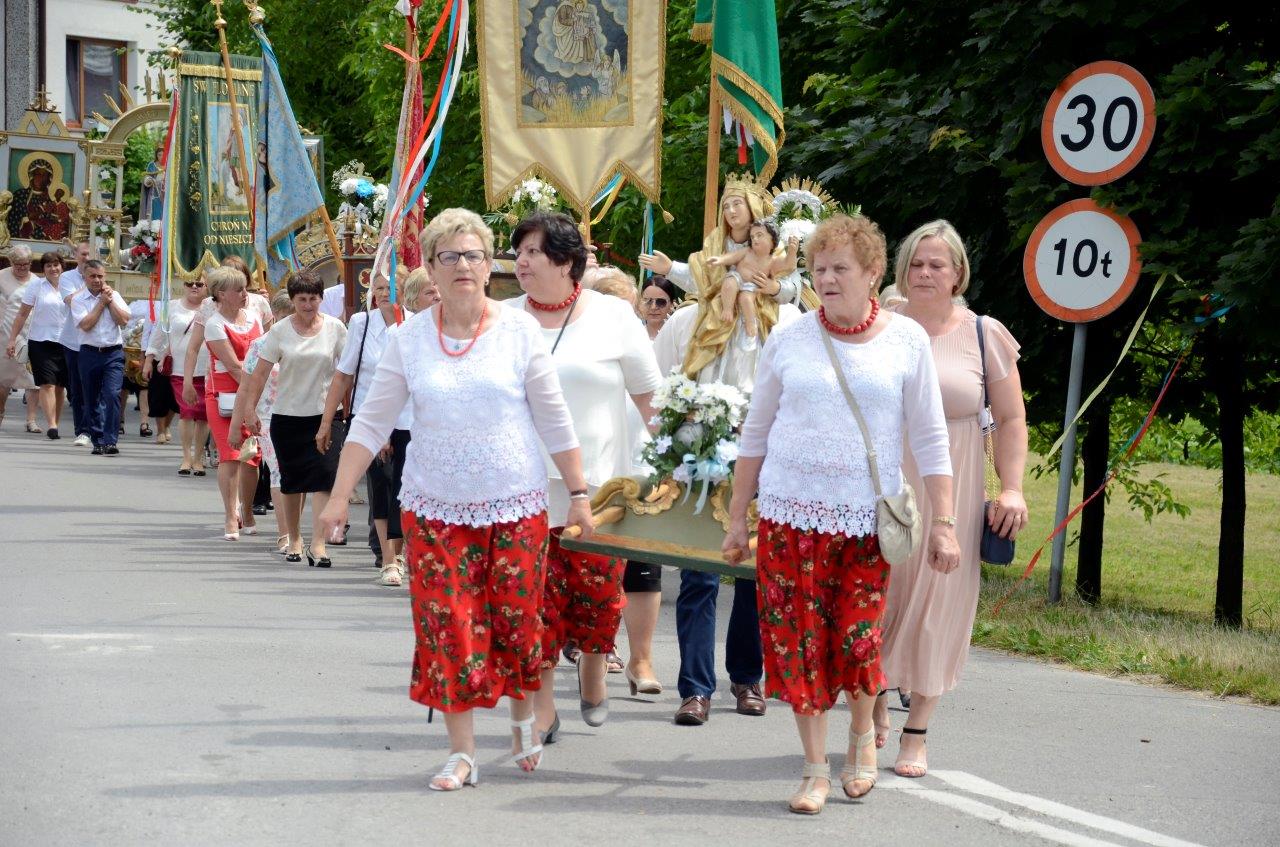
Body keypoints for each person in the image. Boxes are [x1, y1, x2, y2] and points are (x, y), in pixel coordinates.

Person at [317, 208, 594, 792]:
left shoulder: (520, 332)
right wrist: (339, 498)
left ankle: (522, 717)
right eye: (450, 256)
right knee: (449, 627)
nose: (464, 266)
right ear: (430, 268)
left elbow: (554, 418)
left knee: (517, 623)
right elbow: (371, 423)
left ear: (487, 266)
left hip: (515, 505)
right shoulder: (408, 338)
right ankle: (462, 753)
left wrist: (579, 492)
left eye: (473, 256)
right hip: (434, 507)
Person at [722, 214, 958, 814]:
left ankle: (861, 736)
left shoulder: (905, 342)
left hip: (864, 523)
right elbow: (756, 432)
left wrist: (947, 523)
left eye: (840, 269)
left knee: (855, 640)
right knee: (800, 643)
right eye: (818, 269)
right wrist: (735, 517)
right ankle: (812, 768)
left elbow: (930, 437)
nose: (826, 279)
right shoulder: (789, 340)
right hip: (788, 518)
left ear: (874, 274)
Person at [873, 220, 1029, 777]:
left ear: (958, 273)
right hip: (886, 482)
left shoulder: (985, 333)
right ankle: (870, 710)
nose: (924, 273)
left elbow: (1011, 419)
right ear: (900, 271)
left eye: (937, 264)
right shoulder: (881, 328)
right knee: (878, 598)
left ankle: (916, 733)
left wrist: (1011, 488)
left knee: (942, 606)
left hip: (955, 487)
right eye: (915, 263)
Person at [647, 180, 805, 727]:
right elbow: (662, 387)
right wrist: (687, 425)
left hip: (765, 461)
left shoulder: (784, 323)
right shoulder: (686, 323)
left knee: (756, 573)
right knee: (699, 574)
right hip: (704, 455)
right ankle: (695, 686)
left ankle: (747, 676)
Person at [508, 212, 661, 739]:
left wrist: (683, 462)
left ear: (567, 261)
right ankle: (544, 701)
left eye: (533, 251)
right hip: (522, 486)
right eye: (520, 251)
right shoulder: (503, 318)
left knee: (596, 592)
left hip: (600, 487)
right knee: (536, 597)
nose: (522, 261)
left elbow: (651, 399)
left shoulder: (614, 316)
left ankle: (594, 667)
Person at [230, 269, 346, 565]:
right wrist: (249, 410)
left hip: (325, 415)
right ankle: (294, 537)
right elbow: (259, 374)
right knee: (291, 481)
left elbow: (345, 374)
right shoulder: (280, 332)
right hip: (287, 415)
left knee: (323, 480)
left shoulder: (336, 329)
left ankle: (318, 544)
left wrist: (346, 411)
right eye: (302, 299)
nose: (308, 305)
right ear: (293, 300)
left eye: (314, 299)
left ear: (321, 298)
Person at [319, 272, 411, 586]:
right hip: (371, 417)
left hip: (409, 418)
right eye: (379, 288)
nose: (385, 293)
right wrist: (326, 421)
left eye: (391, 287)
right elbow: (344, 375)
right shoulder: (362, 322)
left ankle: (400, 551)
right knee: (382, 486)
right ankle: (389, 559)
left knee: (407, 490)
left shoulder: (415, 322)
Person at [200, 266, 263, 540]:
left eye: (244, 287)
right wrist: (252, 387)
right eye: (238, 289)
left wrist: (258, 395)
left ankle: (246, 509)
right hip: (223, 394)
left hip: (254, 394)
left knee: (252, 458)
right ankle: (229, 515)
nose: (243, 293)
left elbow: (263, 355)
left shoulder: (253, 318)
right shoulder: (214, 324)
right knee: (231, 454)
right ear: (221, 294)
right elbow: (236, 367)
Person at [240, 289, 295, 555]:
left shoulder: (309, 343)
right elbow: (247, 385)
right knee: (277, 470)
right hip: (269, 417)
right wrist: (245, 415)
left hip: (303, 413)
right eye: (283, 317)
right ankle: (285, 534)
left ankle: (295, 531)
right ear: (275, 316)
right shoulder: (260, 345)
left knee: (296, 474)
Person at [148, 274, 211, 475]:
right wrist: (150, 359)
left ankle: (198, 457)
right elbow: (159, 334)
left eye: (199, 284)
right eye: (189, 283)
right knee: (187, 412)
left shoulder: (212, 306)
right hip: (180, 370)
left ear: (207, 286)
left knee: (203, 415)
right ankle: (186, 457)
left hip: (207, 368)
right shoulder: (172, 307)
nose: (194, 287)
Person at [6, 251, 71, 438]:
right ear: (43, 269)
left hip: (65, 342)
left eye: (56, 264)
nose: (53, 268)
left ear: (61, 266)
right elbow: (22, 314)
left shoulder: (71, 286)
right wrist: (12, 339)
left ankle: (55, 421)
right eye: (48, 265)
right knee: (46, 384)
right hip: (41, 341)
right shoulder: (36, 286)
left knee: (60, 386)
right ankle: (51, 425)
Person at [69, 260, 131, 455]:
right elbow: (86, 325)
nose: (97, 280)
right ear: (85, 278)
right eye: (92, 276)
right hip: (89, 353)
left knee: (112, 395)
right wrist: (100, 303)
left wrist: (109, 301)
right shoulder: (78, 300)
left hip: (113, 352)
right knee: (91, 398)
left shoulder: (115, 296)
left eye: (100, 276)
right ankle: (98, 440)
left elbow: (123, 320)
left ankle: (111, 440)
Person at [708, 219, 798, 339]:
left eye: (759, 235)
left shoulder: (772, 261)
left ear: (772, 240)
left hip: (752, 286)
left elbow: (789, 265)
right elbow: (732, 257)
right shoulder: (747, 252)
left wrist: (792, 251)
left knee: (746, 299)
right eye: (752, 236)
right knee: (729, 283)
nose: (754, 239)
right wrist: (720, 260)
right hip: (737, 277)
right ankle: (727, 309)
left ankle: (751, 323)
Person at [0, 246, 40, 432]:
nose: (23, 268)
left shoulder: (37, 281)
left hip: (30, 333)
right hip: (5, 332)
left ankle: (31, 420)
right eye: (18, 265)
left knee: (33, 380)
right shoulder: (2, 276)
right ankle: (0, 411)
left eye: (26, 264)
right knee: (4, 378)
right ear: (11, 263)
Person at [58, 242, 93, 445]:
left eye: (90, 254)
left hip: (97, 341)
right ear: (76, 255)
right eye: (83, 254)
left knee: (96, 386)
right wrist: (91, 289)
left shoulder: (101, 275)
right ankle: (82, 430)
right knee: (77, 388)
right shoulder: (67, 277)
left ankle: (96, 427)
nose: (86, 258)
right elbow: (70, 301)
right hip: (74, 341)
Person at [637, 276, 679, 341]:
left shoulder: (679, 337)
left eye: (661, 302)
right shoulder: (630, 334)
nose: (653, 307)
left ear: (671, 304)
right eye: (648, 301)